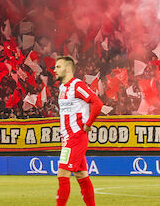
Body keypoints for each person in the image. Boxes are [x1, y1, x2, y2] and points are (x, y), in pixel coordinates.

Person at [54, 56, 103, 206]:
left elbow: (97, 103)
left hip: (75, 137)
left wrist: (88, 124)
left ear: (68, 69)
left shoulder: (77, 85)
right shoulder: (63, 88)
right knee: (82, 175)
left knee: (62, 174)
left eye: (58, 67)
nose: (54, 70)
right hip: (68, 137)